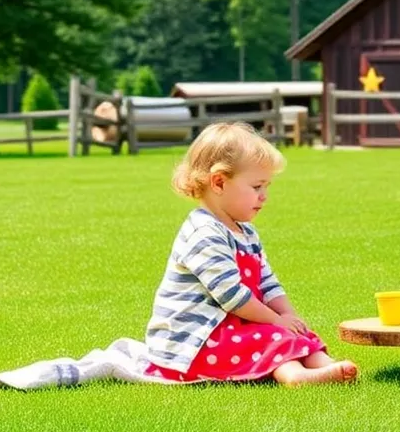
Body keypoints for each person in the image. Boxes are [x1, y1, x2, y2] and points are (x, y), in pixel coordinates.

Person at [144, 122, 358, 387]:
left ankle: (327, 366)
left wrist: (289, 317)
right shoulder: (204, 233)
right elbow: (232, 296)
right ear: (219, 182)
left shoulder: (246, 232)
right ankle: (295, 376)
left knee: (290, 331)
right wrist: (277, 320)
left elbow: (268, 283)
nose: (264, 196)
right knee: (272, 335)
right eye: (257, 187)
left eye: (266, 187)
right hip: (193, 343)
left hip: (234, 324)